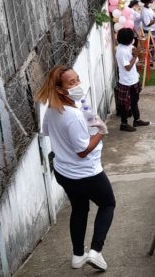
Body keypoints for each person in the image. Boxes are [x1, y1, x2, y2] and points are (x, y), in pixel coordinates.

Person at [35, 65, 113, 271]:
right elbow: (82, 151)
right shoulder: (71, 115)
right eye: (72, 83)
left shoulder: (52, 110)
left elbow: (46, 132)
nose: (78, 84)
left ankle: (78, 256)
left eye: (77, 79)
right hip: (86, 173)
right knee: (107, 204)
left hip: (64, 172)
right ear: (60, 89)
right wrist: (101, 132)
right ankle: (96, 251)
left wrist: (86, 117)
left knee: (79, 209)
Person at [115, 28, 150, 132]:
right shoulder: (121, 51)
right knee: (125, 104)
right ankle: (124, 124)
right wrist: (135, 55)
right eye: (132, 37)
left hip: (133, 79)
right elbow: (128, 67)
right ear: (128, 39)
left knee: (135, 101)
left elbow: (135, 58)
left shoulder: (128, 46)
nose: (133, 39)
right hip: (126, 82)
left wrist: (136, 51)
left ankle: (137, 120)